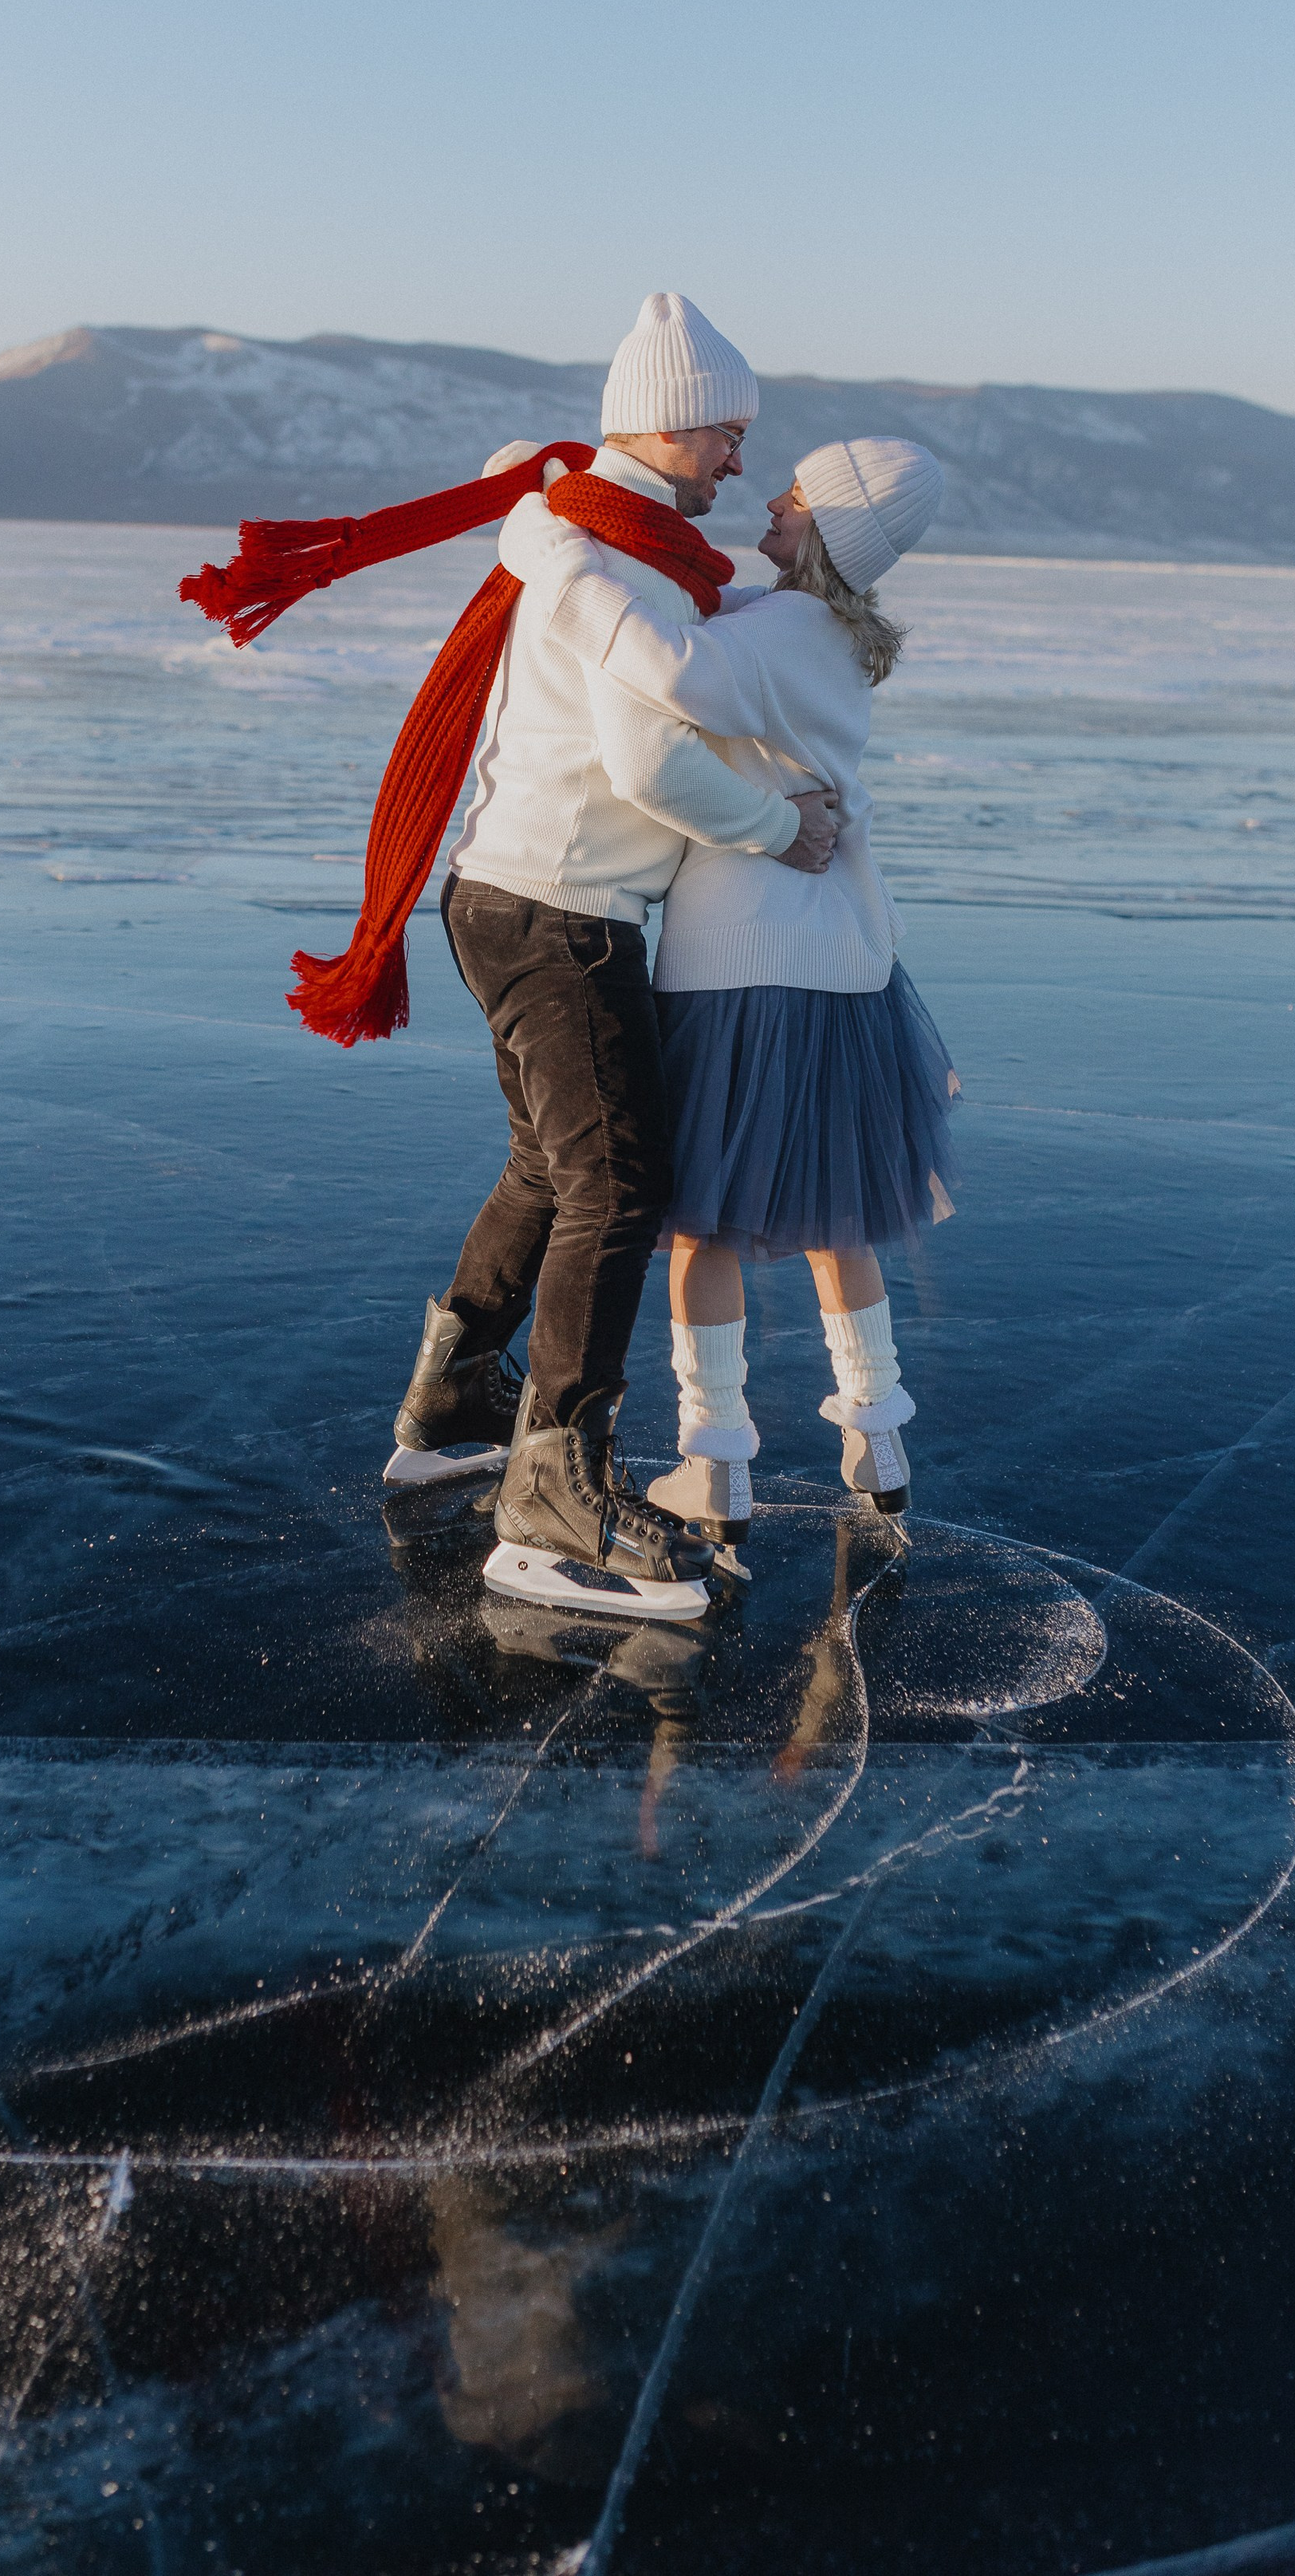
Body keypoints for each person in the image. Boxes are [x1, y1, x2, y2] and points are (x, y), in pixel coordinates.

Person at [388, 295, 840, 1619]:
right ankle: (552, 1491)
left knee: (554, 1166)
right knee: (617, 1189)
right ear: (667, 421)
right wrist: (777, 829)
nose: (739, 463)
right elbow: (650, 753)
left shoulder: (605, 536)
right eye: (730, 434)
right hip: (556, 910)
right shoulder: (612, 563)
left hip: (509, 899)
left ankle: (455, 1401)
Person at [497, 434, 957, 1544]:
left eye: (793, 506)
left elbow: (671, 669)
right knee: (831, 1222)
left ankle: (715, 1460)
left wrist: (552, 552)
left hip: (743, 958)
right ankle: (875, 1431)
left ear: (835, 535)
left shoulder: (786, 629)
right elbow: (714, 612)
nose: (766, 515)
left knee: (699, 1227)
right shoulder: (825, 631)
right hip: (839, 969)